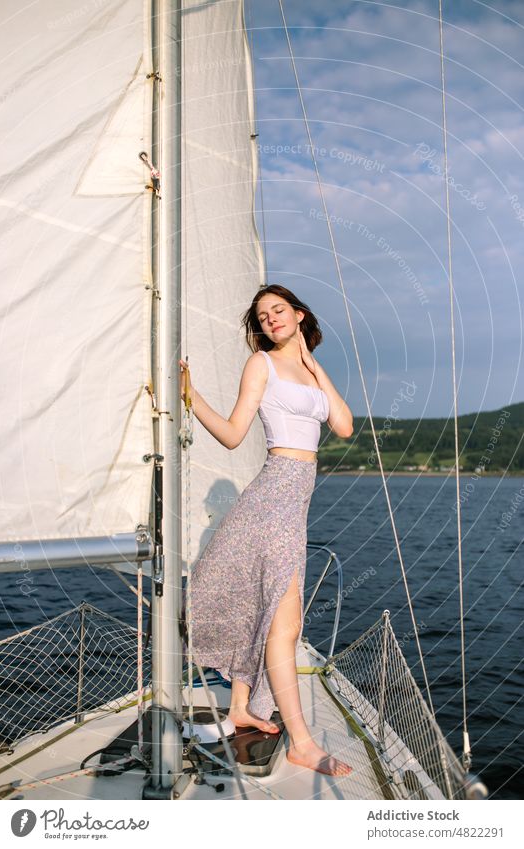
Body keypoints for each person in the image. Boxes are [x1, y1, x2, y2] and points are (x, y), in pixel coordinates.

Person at [179, 284, 354, 777]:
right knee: (286, 624)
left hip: (293, 504)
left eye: (279, 310)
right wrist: (189, 397)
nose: (271, 319)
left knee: (270, 610)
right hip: (274, 496)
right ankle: (301, 741)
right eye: (263, 315)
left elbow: (343, 425)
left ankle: (240, 707)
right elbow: (234, 434)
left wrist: (315, 365)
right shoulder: (262, 364)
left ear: (299, 314)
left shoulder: (310, 371)